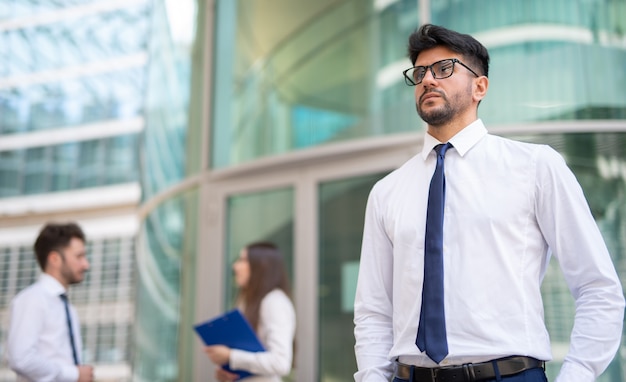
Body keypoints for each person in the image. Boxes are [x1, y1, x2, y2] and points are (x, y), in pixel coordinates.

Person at [353, 24, 624, 382]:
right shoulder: (387, 191)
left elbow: (597, 287)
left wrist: (578, 373)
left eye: (444, 68)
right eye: (420, 73)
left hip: (508, 375)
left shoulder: (534, 167)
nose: (428, 80)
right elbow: (373, 309)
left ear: (480, 86)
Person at [6, 222, 94, 382]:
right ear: (54, 259)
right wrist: (74, 374)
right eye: (79, 256)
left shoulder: (66, 306)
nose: (85, 264)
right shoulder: (33, 299)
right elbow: (21, 359)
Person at [204, 242, 296, 382]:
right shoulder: (246, 302)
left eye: (242, 260)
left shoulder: (274, 302)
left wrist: (231, 356)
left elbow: (280, 363)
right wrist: (228, 373)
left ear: (262, 266)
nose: (235, 266)